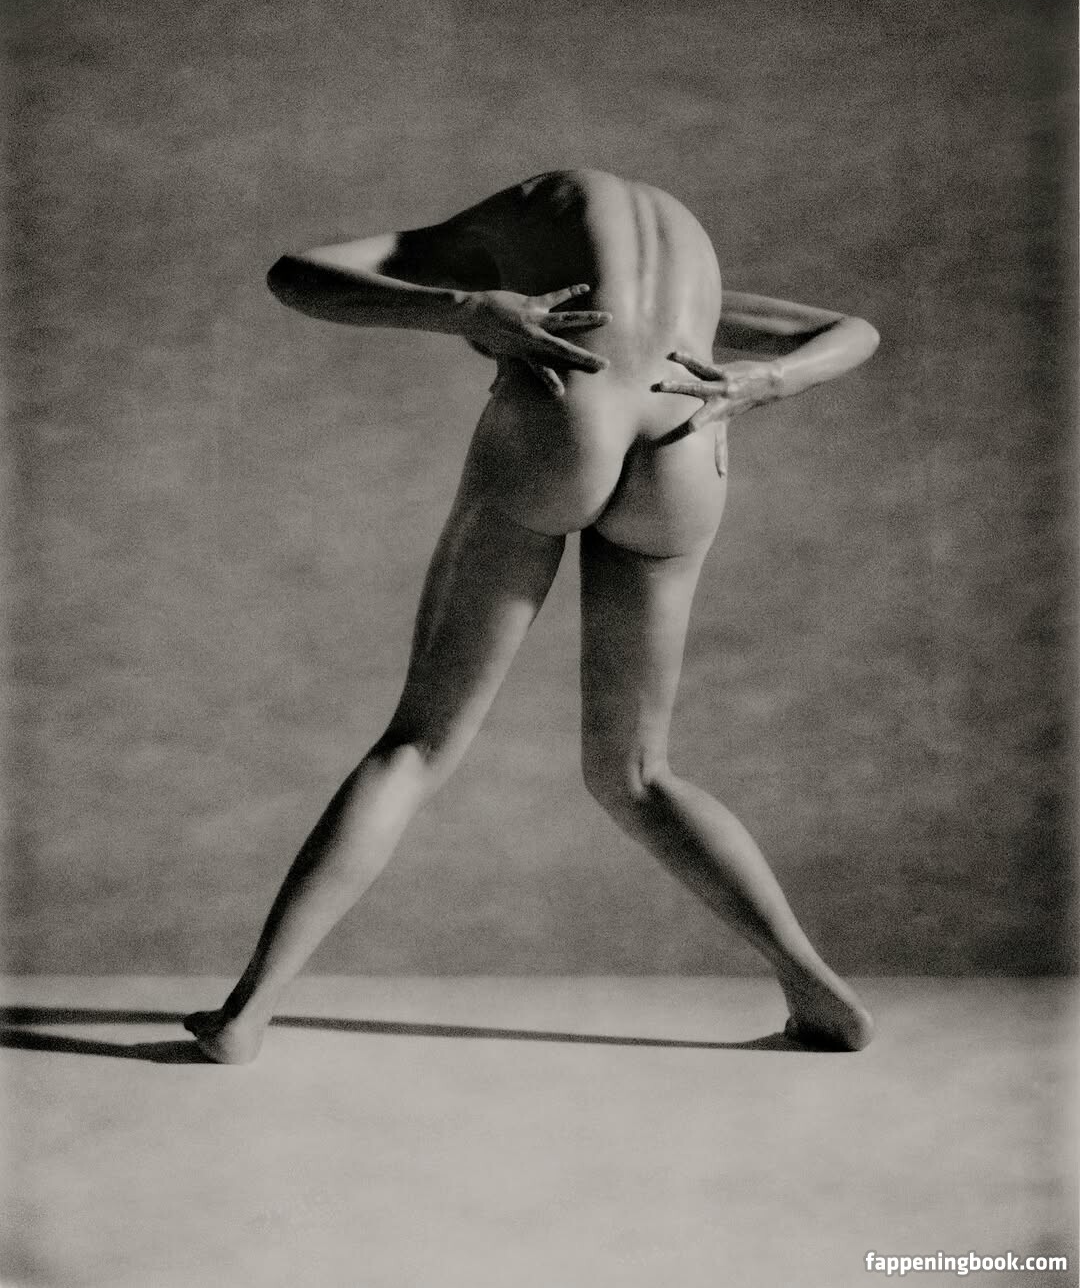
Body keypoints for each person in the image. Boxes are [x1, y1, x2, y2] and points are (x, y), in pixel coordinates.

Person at [184, 168, 880, 1063]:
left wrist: (468, 310)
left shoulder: (518, 210)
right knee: (637, 773)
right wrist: (769, 380)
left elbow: (298, 274)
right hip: (687, 441)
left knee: (417, 745)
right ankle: (812, 987)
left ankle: (246, 1013)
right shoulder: (678, 257)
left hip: (563, 418)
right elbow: (854, 331)